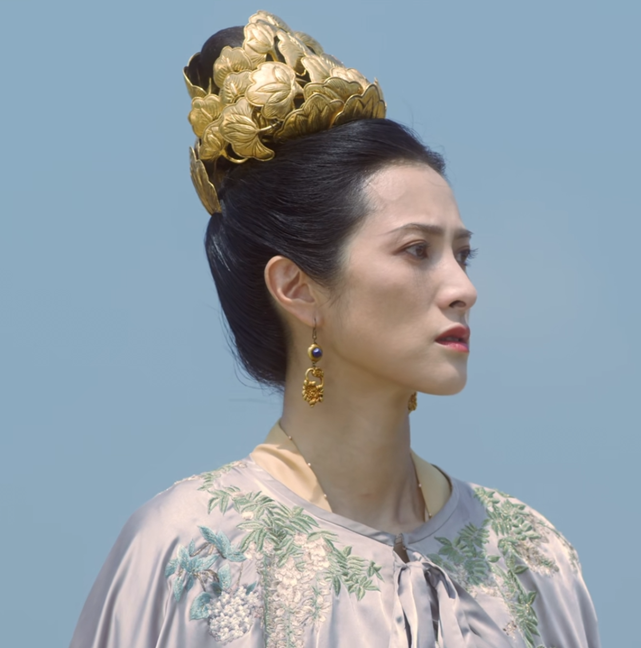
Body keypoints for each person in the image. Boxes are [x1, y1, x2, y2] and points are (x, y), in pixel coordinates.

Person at [69, 10, 600, 648]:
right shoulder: (191, 550)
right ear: (296, 287)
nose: (463, 288)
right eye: (416, 251)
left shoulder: (529, 557)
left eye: (463, 254)